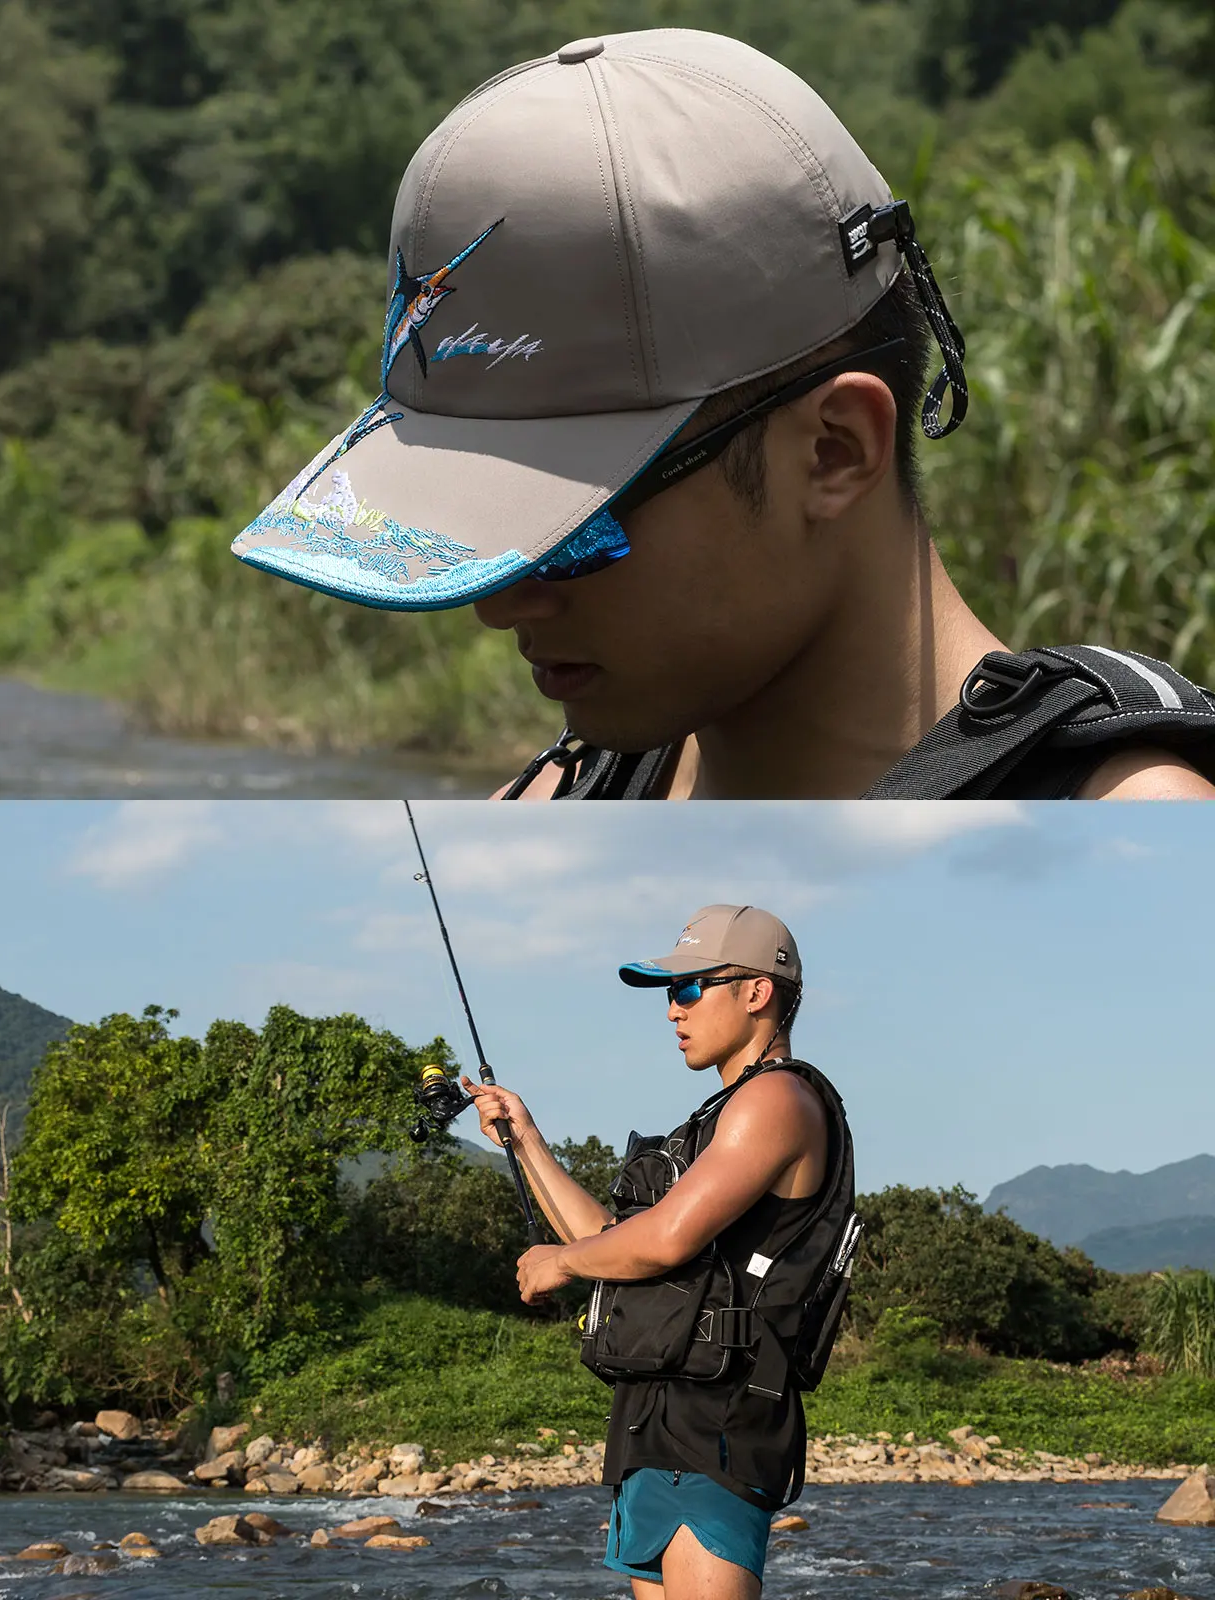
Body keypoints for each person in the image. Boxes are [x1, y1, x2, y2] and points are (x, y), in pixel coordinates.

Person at [231, 30, 1215, 799]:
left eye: (573, 534)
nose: (498, 605)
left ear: (833, 451)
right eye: (482, 529)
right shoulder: (554, 803)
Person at [461, 905, 849, 1600]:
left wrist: (560, 1264)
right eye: (671, 992)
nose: (673, 1009)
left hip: (718, 1429)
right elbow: (616, 1242)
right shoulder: (719, 1119)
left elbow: (665, 1239)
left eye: (690, 987)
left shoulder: (778, 1101)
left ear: (757, 991)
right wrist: (526, 1141)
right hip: (655, 1427)